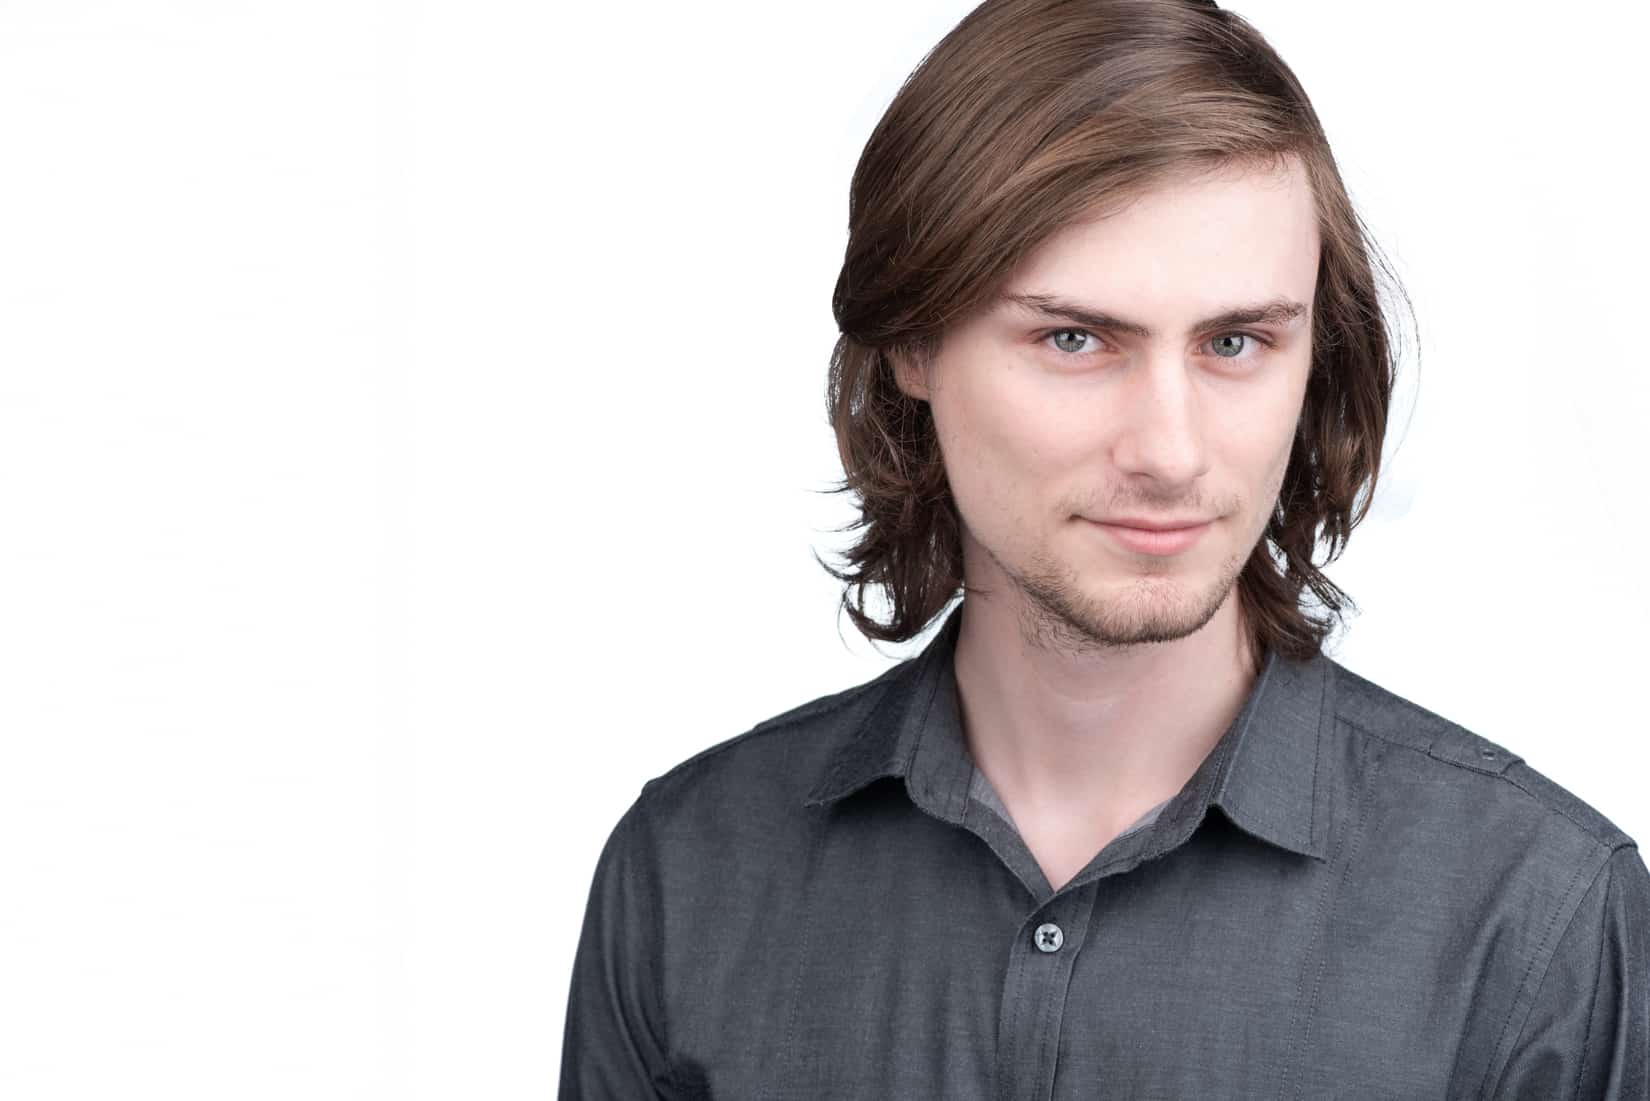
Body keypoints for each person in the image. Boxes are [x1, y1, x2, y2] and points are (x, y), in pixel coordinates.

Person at [558, 0, 1649, 1097]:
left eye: (1236, 342)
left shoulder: (1536, 918)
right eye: (1075, 339)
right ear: (911, 343)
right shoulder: (685, 876)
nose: (1170, 452)